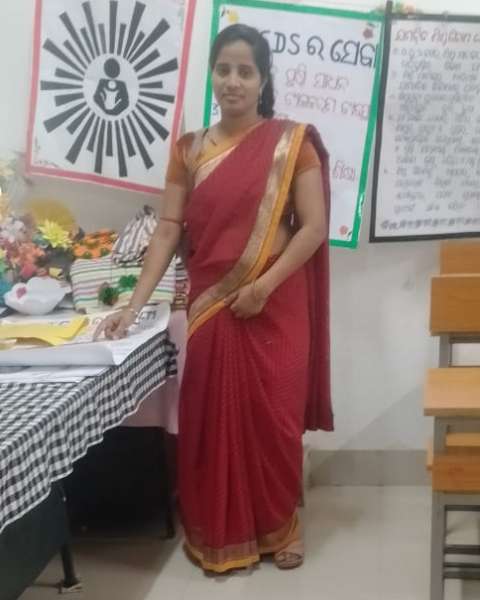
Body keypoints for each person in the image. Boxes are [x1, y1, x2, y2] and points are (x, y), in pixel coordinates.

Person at [95, 23, 333, 573]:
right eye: (224, 69)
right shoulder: (189, 150)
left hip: (275, 301)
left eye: (245, 71)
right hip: (212, 306)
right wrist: (132, 307)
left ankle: (282, 526)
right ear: (212, 74)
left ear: (263, 79)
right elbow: (167, 230)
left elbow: (313, 228)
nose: (233, 81)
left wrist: (262, 287)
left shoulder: (292, 143)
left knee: (274, 418)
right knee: (212, 420)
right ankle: (222, 531)